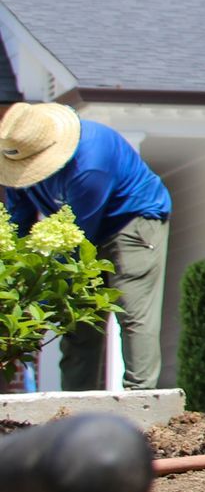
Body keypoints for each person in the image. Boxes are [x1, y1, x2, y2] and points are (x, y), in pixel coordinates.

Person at [0, 103, 171, 391]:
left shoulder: (90, 162)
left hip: (130, 221)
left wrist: (39, 305)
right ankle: (75, 409)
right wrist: (16, 293)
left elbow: (78, 241)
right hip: (80, 229)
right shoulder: (17, 154)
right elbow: (18, 224)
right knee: (78, 321)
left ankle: (141, 398)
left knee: (131, 311)